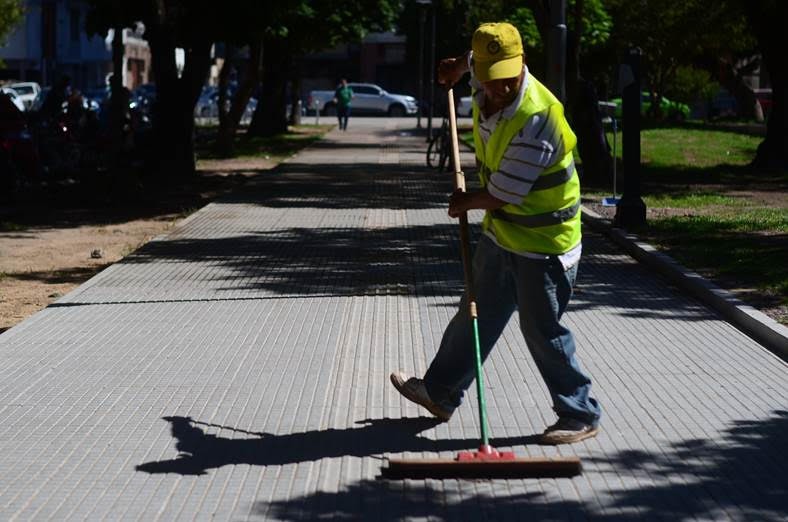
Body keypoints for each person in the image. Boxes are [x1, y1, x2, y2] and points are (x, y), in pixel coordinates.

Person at [390, 22, 601, 445]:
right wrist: (456, 66)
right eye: (489, 78)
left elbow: (504, 193)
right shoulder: (483, 69)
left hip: (545, 244)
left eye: (507, 77)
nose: (499, 87)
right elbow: (472, 60)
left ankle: (579, 413)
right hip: (503, 233)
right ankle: (440, 392)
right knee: (476, 313)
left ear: (522, 63)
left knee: (541, 331)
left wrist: (464, 202)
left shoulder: (539, 118)